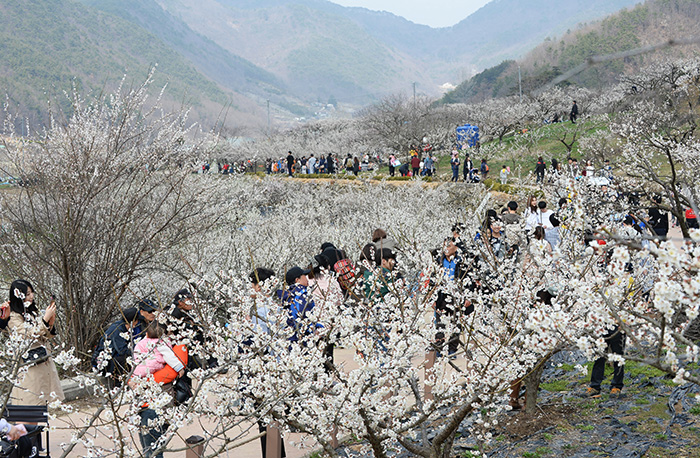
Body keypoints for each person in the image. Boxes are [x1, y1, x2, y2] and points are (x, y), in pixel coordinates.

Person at [6, 280, 65, 406]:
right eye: (27, 294)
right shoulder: (12, 316)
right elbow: (29, 334)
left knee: (46, 403)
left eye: (32, 292)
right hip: (29, 366)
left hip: (44, 361)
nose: (31, 296)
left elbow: (44, 336)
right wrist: (44, 320)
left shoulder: (32, 311)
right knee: (32, 404)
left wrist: (50, 323)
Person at [92, 307, 141, 385]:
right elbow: (122, 351)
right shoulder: (118, 330)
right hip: (104, 363)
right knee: (126, 359)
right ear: (133, 321)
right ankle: (119, 385)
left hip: (111, 358)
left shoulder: (121, 325)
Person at [586, 326, 625, 398]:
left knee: (618, 357)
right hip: (601, 325)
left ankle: (617, 386)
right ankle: (595, 386)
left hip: (617, 325)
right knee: (599, 356)